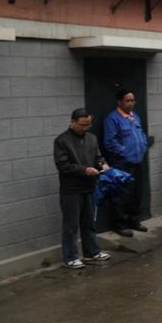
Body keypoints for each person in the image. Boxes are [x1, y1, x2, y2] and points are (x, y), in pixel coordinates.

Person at [53, 108, 112, 269]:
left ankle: (91, 252)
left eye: (88, 125)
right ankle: (70, 257)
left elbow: (98, 156)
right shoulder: (62, 141)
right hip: (71, 189)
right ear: (72, 122)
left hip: (90, 187)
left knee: (89, 222)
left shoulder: (92, 138)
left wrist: (102, 164)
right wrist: (84, 170)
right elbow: (63, 165)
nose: (85, 128)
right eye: (82, 125)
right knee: (71, 225)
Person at [103, 89, 149, 237]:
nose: (131, 103)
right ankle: (120, 224)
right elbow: (109, 142)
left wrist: (143, 145)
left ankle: (134, 220)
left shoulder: (134, 117)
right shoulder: (113, 119)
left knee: (136, 193)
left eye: (133, 100)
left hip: (137, 161)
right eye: (128, 101)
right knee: (122, 194)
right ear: (120, 102)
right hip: (122, 163)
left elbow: (140, 133)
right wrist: (124, 152)